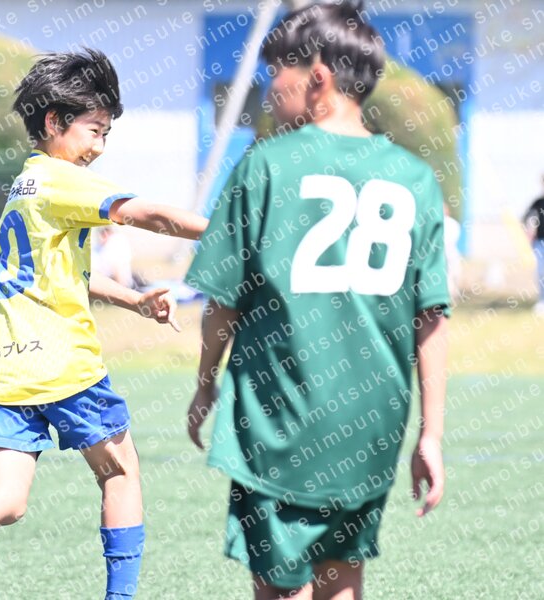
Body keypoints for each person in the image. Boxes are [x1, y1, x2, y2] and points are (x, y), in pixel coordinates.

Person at [0, 48, 207, 599]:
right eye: (94, 131)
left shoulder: (25, 186)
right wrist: (229, 228)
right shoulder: (63, 180)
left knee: (7, 497)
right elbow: (146, 214)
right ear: (54, 122)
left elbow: (61, 276)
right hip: (62, 363)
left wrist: (133, 300)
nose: (99, 147)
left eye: (106, 134)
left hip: (1, 368)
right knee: (120, 472)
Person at [183, 4, 450, 599]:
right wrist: (431, 435)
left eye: (278, 70)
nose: (269, 86)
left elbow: (222, 302)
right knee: (343, 579)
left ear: (319, 76)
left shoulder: (266, 165)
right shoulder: (415, 179)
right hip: (373, 425)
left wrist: (205, 384)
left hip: (282, 419)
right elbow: (432, 317)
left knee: (282, 589)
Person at [523, 177, 544, 314]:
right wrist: (530, 231)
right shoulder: (538, 202)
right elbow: (528, 218)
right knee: (541, 272)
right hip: (540, 242)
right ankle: (542, 301)